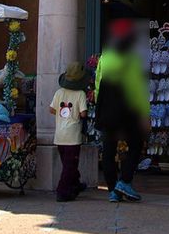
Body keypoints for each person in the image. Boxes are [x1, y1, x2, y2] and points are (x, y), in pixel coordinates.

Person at [95, 17, 150, 202]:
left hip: (108, 110)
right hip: (127, 111)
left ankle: (112, 190)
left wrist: (99, 108)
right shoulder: (132, 59)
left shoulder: (105, 57)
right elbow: (137, 88)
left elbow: (98, 85)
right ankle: (124, 181)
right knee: (136, 144)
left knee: (109, 150)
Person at [49, 61, 89, 202]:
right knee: (70, 165)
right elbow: (83, 114)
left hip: (60, 134)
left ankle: (76, 184)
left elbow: (52, 109)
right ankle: (62, 190)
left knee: (67, 163)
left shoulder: (59, 92)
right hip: (73, 135)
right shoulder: (80, 94)